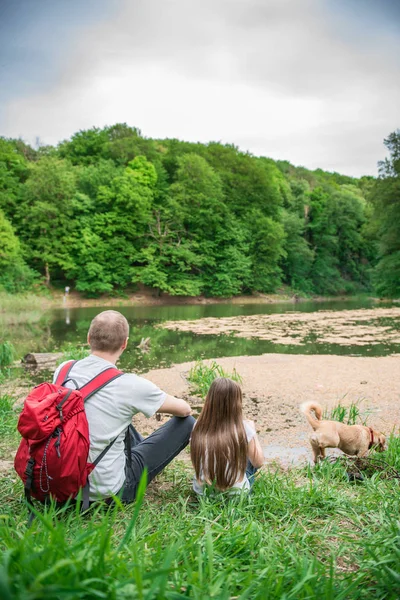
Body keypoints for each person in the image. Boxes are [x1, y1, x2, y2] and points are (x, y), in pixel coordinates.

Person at [53, 310, 195, 503]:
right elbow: (184, 410)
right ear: (125, 343)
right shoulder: (129, 384)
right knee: (187, 423)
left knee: (116, 419)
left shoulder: (64, 369)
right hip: (107, 493)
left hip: (57, 483)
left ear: (88, 338)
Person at [190, 377, 264, 496]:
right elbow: (258, 463)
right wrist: (252, 431)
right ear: (237, 402)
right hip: (236, 494)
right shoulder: (244, 428)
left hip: (203, 492)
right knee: (250, 461)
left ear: (209, 400)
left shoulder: (198, 426)